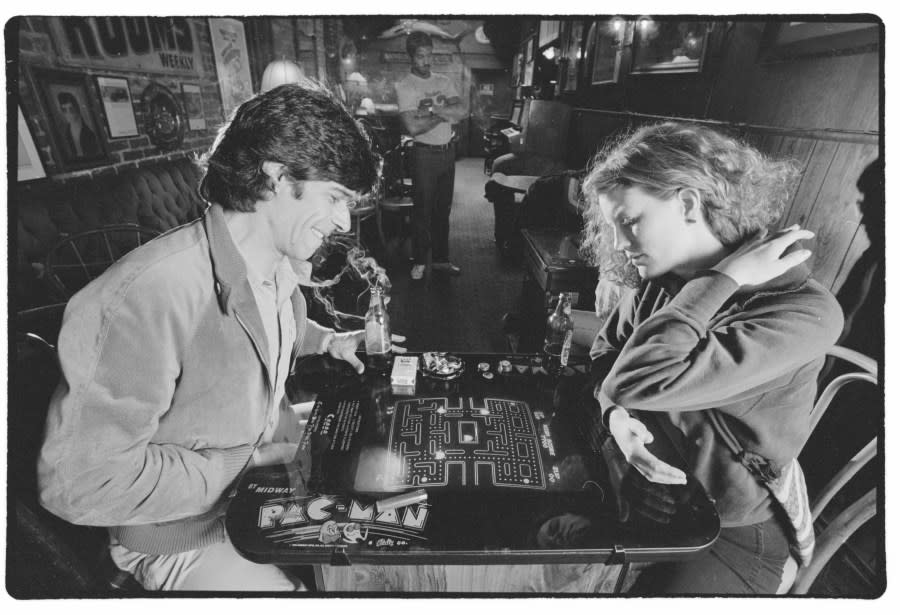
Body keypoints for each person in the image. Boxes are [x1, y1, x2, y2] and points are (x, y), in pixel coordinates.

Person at [37, 83, 381, 591]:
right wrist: (241, 465)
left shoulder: (276, 266)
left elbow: (263, 331)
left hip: (261, 478)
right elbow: (80, 484)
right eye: (335, 197)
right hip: (183, 535)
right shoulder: (148, 295)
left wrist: (327, 340)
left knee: (388, 497)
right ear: (278, 177)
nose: (342, 220)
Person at [582, 122, 844, 594]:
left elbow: (640, 380)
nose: (619, 243)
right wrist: (618, 428)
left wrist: (724, 277)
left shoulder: (806, 311)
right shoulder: (665, 283)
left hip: (729, 527)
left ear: (686, 203)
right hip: (645, 489)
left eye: (631, 221)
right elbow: (605, 358)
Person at [395, 31, 467, 280]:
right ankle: (419, 261)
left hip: (447, 153)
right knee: (422, 212)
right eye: (421, 56)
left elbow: (460, 112)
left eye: (429, 55)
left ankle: (440, 261)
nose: (426, 61)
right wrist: (442, 112)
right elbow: (413, 127)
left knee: (442, 211)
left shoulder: (444, 81)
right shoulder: (405, 86)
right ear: (411, 57)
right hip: (423, 156)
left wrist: (430, 113)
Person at [57, 91, 101, 159]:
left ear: (77, 108)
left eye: (71, 109)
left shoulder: (89, 132)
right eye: (64, 110)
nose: (68, 114)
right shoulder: (66, 133)